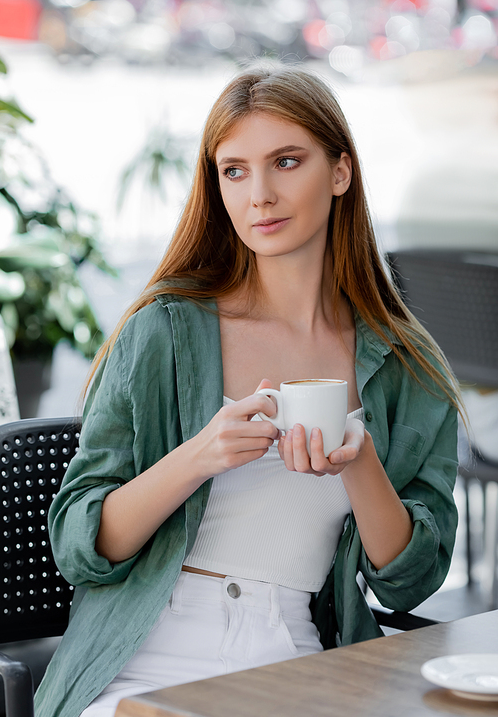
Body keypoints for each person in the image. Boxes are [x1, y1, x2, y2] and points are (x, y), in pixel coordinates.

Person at [35, 64, 460, 717]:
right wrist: (202, 453)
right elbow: (78, 547)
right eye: (234, 170)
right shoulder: (164, 330)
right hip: (141, 654)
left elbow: (409, 582)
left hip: (288, 649)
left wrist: (362, 463)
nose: (259, 193)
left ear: (340, 171)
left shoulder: (409, 365)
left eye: (286, 162)